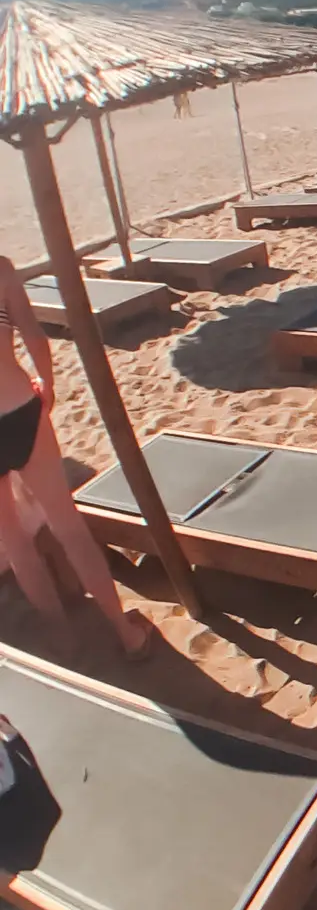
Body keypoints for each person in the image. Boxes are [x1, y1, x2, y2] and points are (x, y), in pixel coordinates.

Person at [0, 256, 152, 661]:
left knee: (15, 542)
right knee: (68, 526)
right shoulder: (1, 270)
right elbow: (34, 335)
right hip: (19, 408)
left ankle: (63, 637)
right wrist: (45, 384)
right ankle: (125, 633)